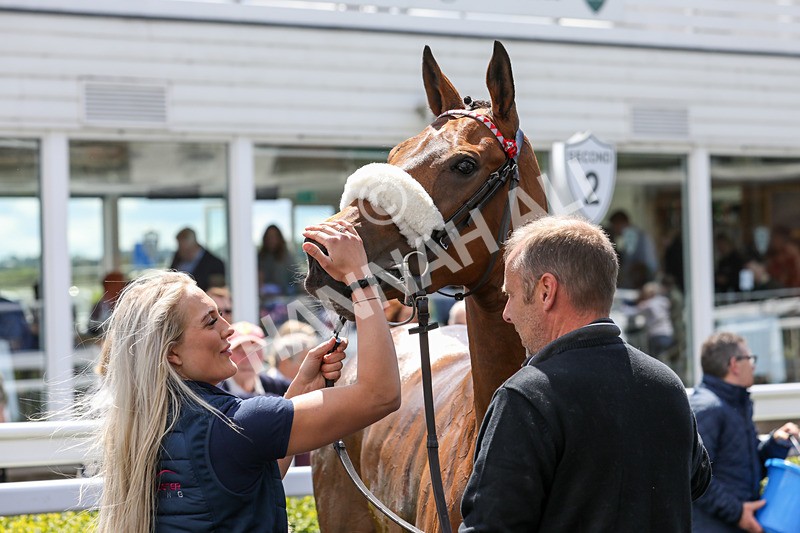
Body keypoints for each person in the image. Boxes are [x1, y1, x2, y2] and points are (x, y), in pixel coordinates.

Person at [92, 219, 400, 532]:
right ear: (172, 353)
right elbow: (380, 395)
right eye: (212, 322)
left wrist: (301, 390)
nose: (229, 329)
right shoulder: (236, 423)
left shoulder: (147, 422)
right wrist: (360, 278)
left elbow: (246, 474)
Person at [459, 215, 711, 532]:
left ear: (546, 290)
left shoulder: (528, 397)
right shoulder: (667, 385)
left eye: (509, 295)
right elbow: (696, 481)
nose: (506, 314)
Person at [690, 332, 800, 533]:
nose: (753, 365)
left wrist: (775, 444)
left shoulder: (735, 403)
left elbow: (742, 468)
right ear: (734, 364)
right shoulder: (708, 408)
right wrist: (738, 513)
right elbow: (694, 476)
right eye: (750, 358)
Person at [218, 321, 290, 399]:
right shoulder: (215, 391)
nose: (248, 359)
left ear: (263, 355)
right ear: (227, 354)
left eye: (254, 352)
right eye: (240, 352)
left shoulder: (278, 387)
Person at [608, 210, 659, 289]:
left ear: (619, 223)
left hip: (642, 279)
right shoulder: (638, 233)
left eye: (614, 226)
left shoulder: (630, 234)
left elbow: (629, 262)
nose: (614, 230)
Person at [169, 227, 226, 291]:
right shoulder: (178, 258)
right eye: (180, 247)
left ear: (195, 245)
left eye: (186, 250)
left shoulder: (215, 264)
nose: (181, 252)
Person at [258, 224, 297, 297]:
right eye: (269, 237)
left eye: (274, 237)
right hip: (264, 297)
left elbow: (296, 276)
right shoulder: (260, 257)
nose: (271, 240)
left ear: (279, 238)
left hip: (285, 296)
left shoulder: (286, 256)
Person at [87, 271, 126, 336]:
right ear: (105, 287)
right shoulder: (97, 307)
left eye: (121, 284)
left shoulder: (126, 306)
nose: (119, 289)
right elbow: (91, 329)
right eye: (114, 285)